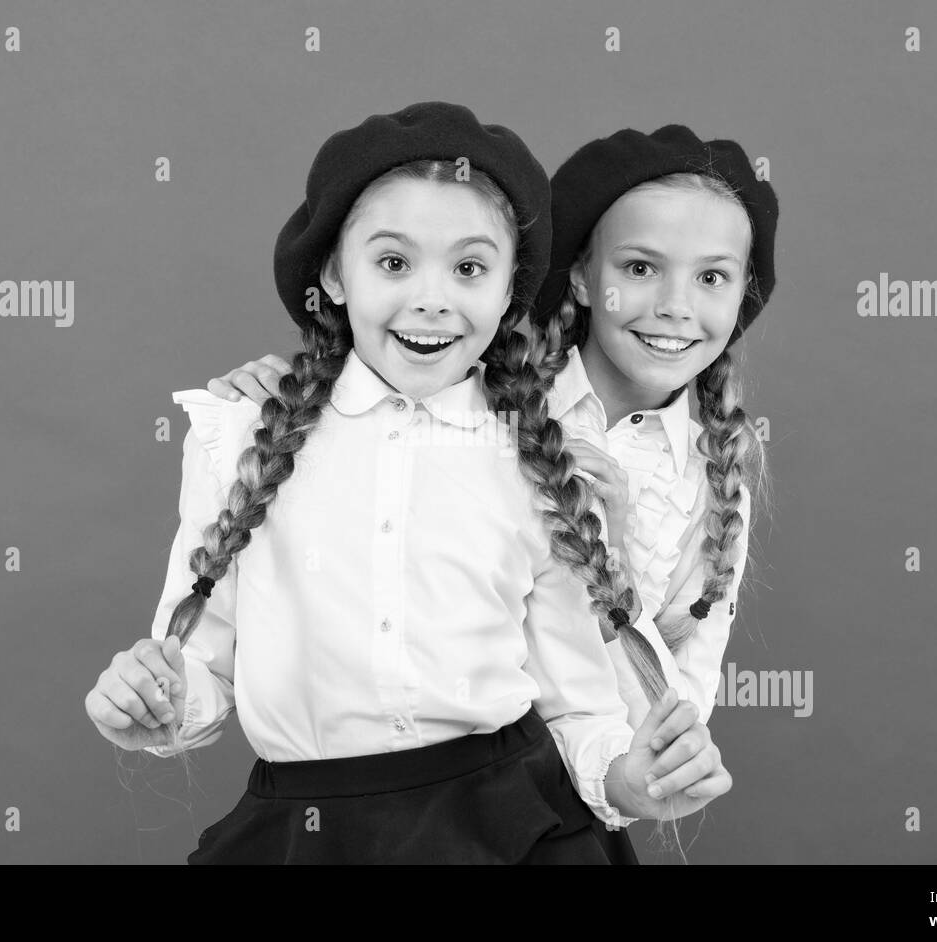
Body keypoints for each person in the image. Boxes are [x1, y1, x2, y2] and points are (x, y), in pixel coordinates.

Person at [85, 103, 718, 864]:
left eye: (470, 268)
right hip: (307, 834)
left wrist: (627, 781)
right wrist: (155, 700)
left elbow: (577, 702)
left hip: (511, 828)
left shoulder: (539, 457)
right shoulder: (241, 434)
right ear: (333, 273)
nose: (432, 298)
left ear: (510, 284)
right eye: (393, 263)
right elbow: (199, 662)